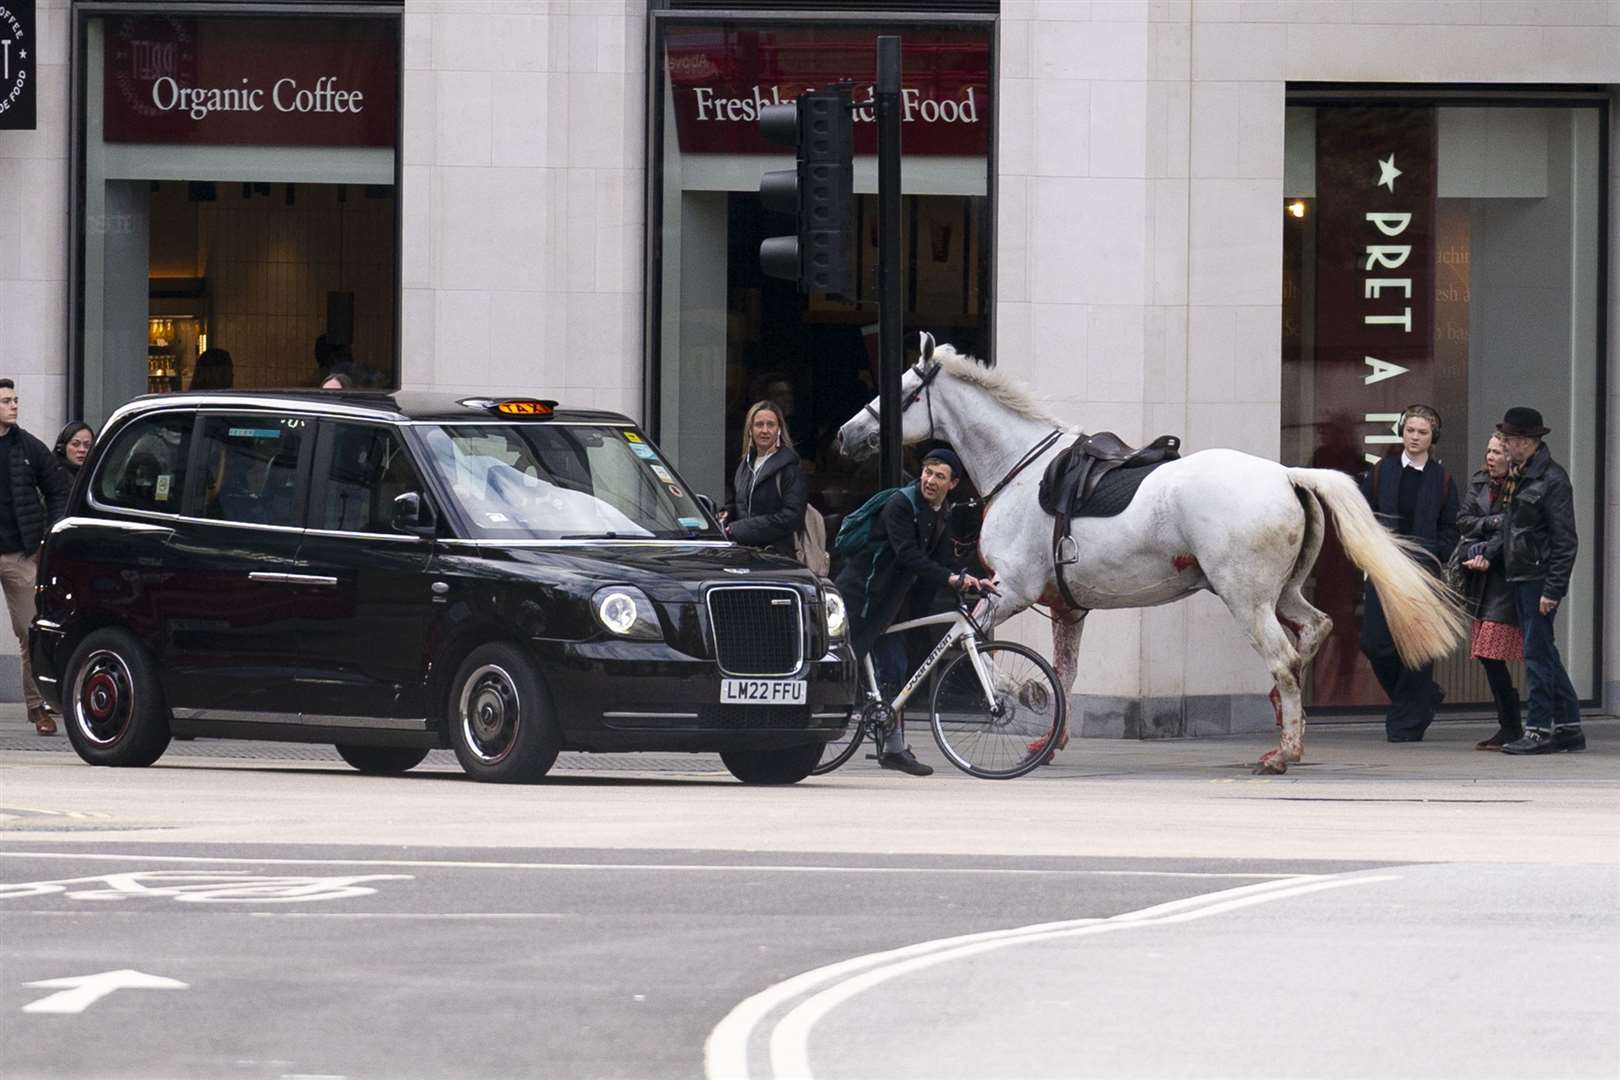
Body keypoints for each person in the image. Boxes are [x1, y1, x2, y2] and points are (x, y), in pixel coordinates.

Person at [834, 447, 991, 776]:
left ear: (953, 484)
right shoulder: (901, 504)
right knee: (848, 665)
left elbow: (944, 559)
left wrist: (974, 579)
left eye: (940, 476)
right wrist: (950, 578)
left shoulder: (941, 513)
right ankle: (822, 726)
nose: (931, 480)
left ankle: (892, 747)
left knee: (896, 666)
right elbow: (908, 555)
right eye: (928, 472)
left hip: (892, 600)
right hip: (865, 593)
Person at [1359, 404, 1458, 743]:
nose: (1415, 437)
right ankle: (1421, 695)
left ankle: (1407, 722)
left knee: (1418, 650)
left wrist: (1434, 555)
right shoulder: (1381, 471)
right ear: (1401, 432)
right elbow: (1363, 517)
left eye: (1423, 432)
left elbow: (1450, 527)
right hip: (1384, 569)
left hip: (1422, 574)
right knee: (1374, 643)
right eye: (1410, 430)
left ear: (1434, 438)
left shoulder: (1442, 479)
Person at [1492, 407, 1584, 755]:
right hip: (1523, 574)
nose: (1506, 445)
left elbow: (1566, 541)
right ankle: (1570, 727)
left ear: (1529, 443)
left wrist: (1553, 590)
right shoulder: (1522, 475)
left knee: (1536, 654)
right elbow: (1510, 527)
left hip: (1537, 577)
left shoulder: (1551, 480)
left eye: (1511, 440)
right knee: (1544, 651)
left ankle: (1539, 728)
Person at [0, 380, 72, 735]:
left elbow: (57, 488)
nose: (14, 406)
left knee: (30, 631)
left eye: (15, 400)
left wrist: (48, 533)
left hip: (19, 552)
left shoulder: (28, 446)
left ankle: (36, 707)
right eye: (6, 401)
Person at [1456, 432, 1523, 750]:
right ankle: (1510, 725)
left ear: (1511, 457)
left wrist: (1488, 546)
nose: (1491, 457)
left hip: (1507, 581)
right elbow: (1464, 520)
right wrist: (1492, 522)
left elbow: (1513, 526)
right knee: (1487, 655)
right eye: (1489, 450)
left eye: (1497, 452)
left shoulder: (1521, 486)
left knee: (1494, 652)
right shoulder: (1480, 482)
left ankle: (1516, 724)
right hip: (1480, 581)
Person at [718, 400, 806, 558]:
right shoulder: (745, 465)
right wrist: (728, 513)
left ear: (779, 430)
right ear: (750, 430)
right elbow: (743, 502)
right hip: (744, 554)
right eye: (759, 424)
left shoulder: (789, 468)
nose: (765, 430)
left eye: (770, 425)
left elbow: (792, 516)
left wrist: (740, 529)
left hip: (777, 556)